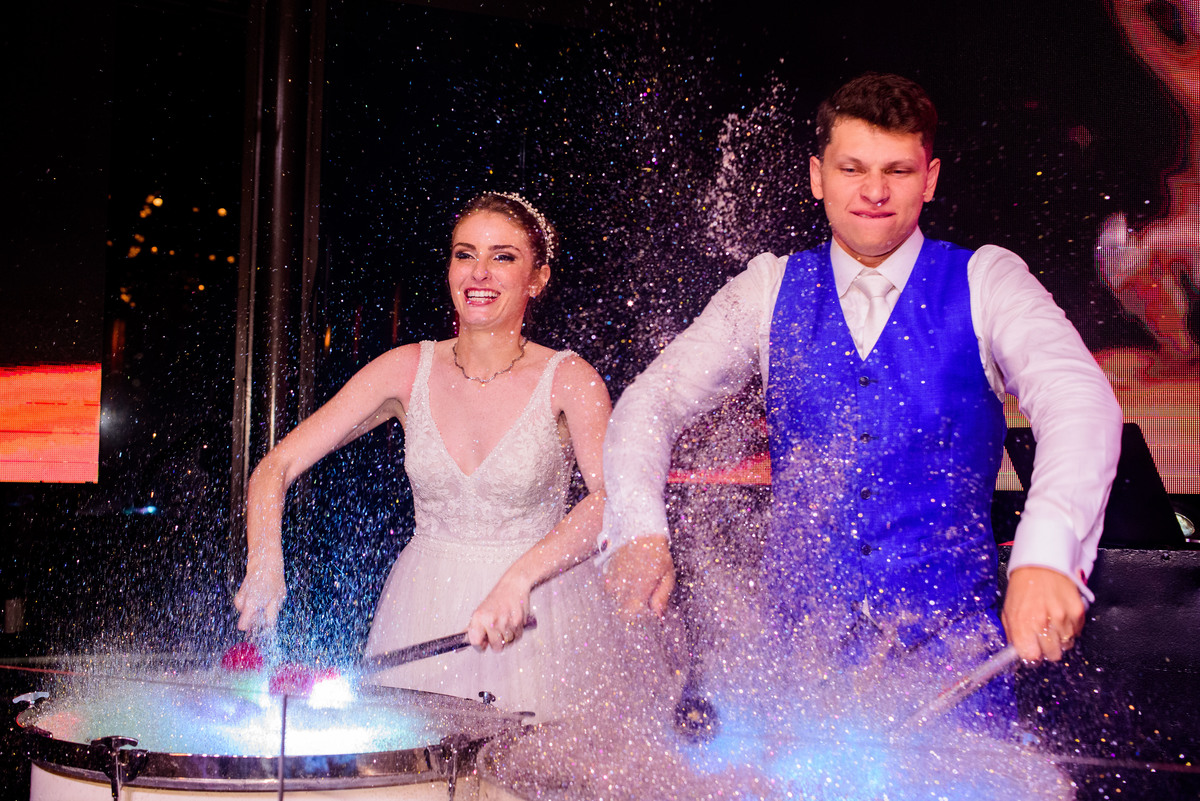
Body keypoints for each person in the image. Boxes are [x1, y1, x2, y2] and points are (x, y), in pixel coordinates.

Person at [600, 73, 1123, 727]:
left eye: (897, 170)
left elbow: (1079, 400)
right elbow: (649, 402)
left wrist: (1047, 552)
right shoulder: (766, 288)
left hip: (954, 677)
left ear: (930, 178)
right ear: (817, 176)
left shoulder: (988, 279)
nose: (875, 192)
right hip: (795, 682)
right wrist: (638, 530)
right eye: (852, 169)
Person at [233, 192, 612, 718]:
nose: (479, 272)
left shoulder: (571, 379)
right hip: (424, 604)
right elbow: (276, 467)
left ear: (537, 279)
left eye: (503, 257)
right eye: (464, 254)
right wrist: (264, 563)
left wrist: (520, 578)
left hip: (541, 610)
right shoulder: (405, 369)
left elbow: (611, 501)